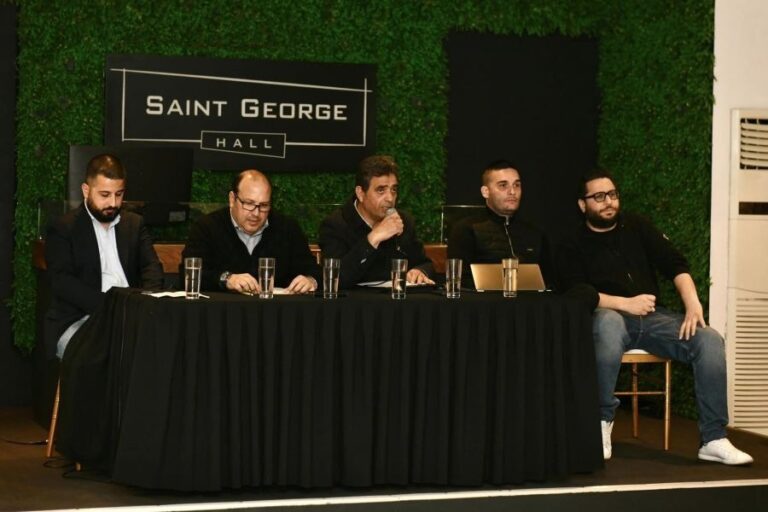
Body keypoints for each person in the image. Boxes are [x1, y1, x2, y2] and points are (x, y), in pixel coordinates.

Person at [557, 168, 753, 465]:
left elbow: (675, 263)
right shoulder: (571, 241)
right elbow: (576, 292)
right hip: (607, 316)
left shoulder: (637, 226)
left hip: (652, 318)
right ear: (582, 205)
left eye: (612, 194)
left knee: (709, 339)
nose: (608, 201)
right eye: (599, 196)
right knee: (608, 323)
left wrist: (693, 305)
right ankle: (600, 423)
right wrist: (626, 303)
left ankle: (713, 438)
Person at [44, 153, 163, 359]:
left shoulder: (134, 224)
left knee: (163, 345)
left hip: (132, 315)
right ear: (86, 190)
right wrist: (111, 307)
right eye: (105, 195)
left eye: (119, 194)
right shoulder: (64, 228)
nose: (113, 203)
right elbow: (63, 283)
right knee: (112, 351)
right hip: (82, 318)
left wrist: (143, 304)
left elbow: (151, 269)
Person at [181, 169, 320, 293]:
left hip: (276, 310)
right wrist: (227, 279)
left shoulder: (287, 228)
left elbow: (313, 270)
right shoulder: (206, 227)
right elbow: (187, 275)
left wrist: (311, 280)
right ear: (232, 199)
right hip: (223, 311)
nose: (256, 213)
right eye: (249, 203)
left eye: (264, 205)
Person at [318, 155, 435, 288]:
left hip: (397, 298)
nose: (390, 198)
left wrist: (419, 271)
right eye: (381, 190)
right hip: (356, 300)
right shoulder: (335, 225)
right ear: (360, 193)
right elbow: (336, 278)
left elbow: (425, 263)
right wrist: (373, 238)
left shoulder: (403, 221)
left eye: (393, 190)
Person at [447, 160, 553, 288]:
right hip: (482, 300)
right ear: (485, 192)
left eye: (517, 185)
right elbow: (459, 282)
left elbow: (549, 282)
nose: (512, 192)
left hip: (530, 300)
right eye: (503, 185)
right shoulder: (467, 230)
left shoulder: (535, 233)